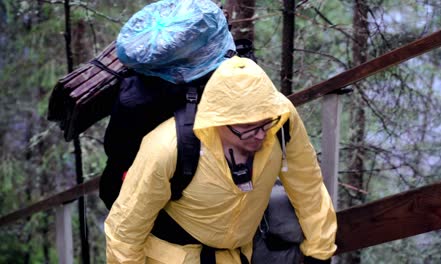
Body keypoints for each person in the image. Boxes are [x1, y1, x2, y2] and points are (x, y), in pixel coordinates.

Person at [104, 56, 337, 263]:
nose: (260, 134)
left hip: (235, 254)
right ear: (216, 121)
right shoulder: (168, 146)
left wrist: (320, 252)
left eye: (265, 123)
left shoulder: (280, 119)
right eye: (247, 127)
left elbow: (308, 186)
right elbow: (125, 231)